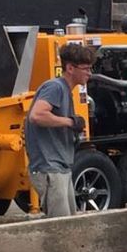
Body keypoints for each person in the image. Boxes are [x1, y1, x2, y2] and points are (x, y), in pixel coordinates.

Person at [27, 41, 97, 217]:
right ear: (70, 68)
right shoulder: (55, 87)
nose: (89, 73)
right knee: (60, 226)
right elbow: (37, 115)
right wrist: (69, 122)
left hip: (61, 167)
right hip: (49, 168)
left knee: (69, 221)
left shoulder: (66, 90)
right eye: (86, 68)